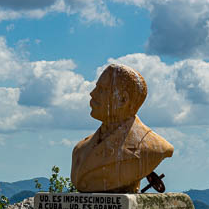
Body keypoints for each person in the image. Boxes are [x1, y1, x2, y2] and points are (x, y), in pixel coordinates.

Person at [71, 63, 173, 193]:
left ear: (122, 100)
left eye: (101, 89)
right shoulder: (80, 149)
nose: (92, 94)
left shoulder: (152, 148)